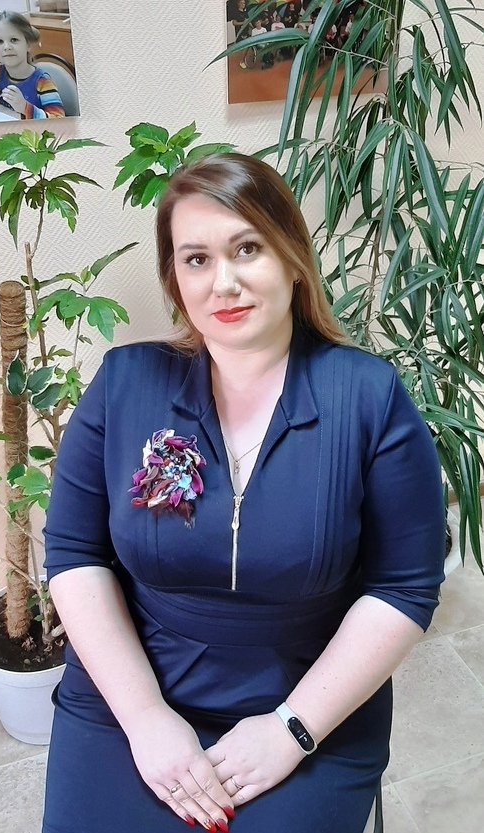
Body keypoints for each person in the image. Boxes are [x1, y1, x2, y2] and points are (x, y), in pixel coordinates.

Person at [42, 153, 445, 833]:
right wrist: (144, 717)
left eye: (247, 248)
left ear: (292, 257)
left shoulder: (369, 399)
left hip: (305, 696)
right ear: (175, 278)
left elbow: (404, 587)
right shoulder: (123, 385)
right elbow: (74, 554)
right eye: (196, 259)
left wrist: (292, 728)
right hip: (131, 690)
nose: (222, 282)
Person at [0, 11, 64, 118]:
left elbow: (59, 119)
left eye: (14, 40)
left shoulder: (42, 82)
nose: (6, 47)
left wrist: (25, 107)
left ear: (28, 44)